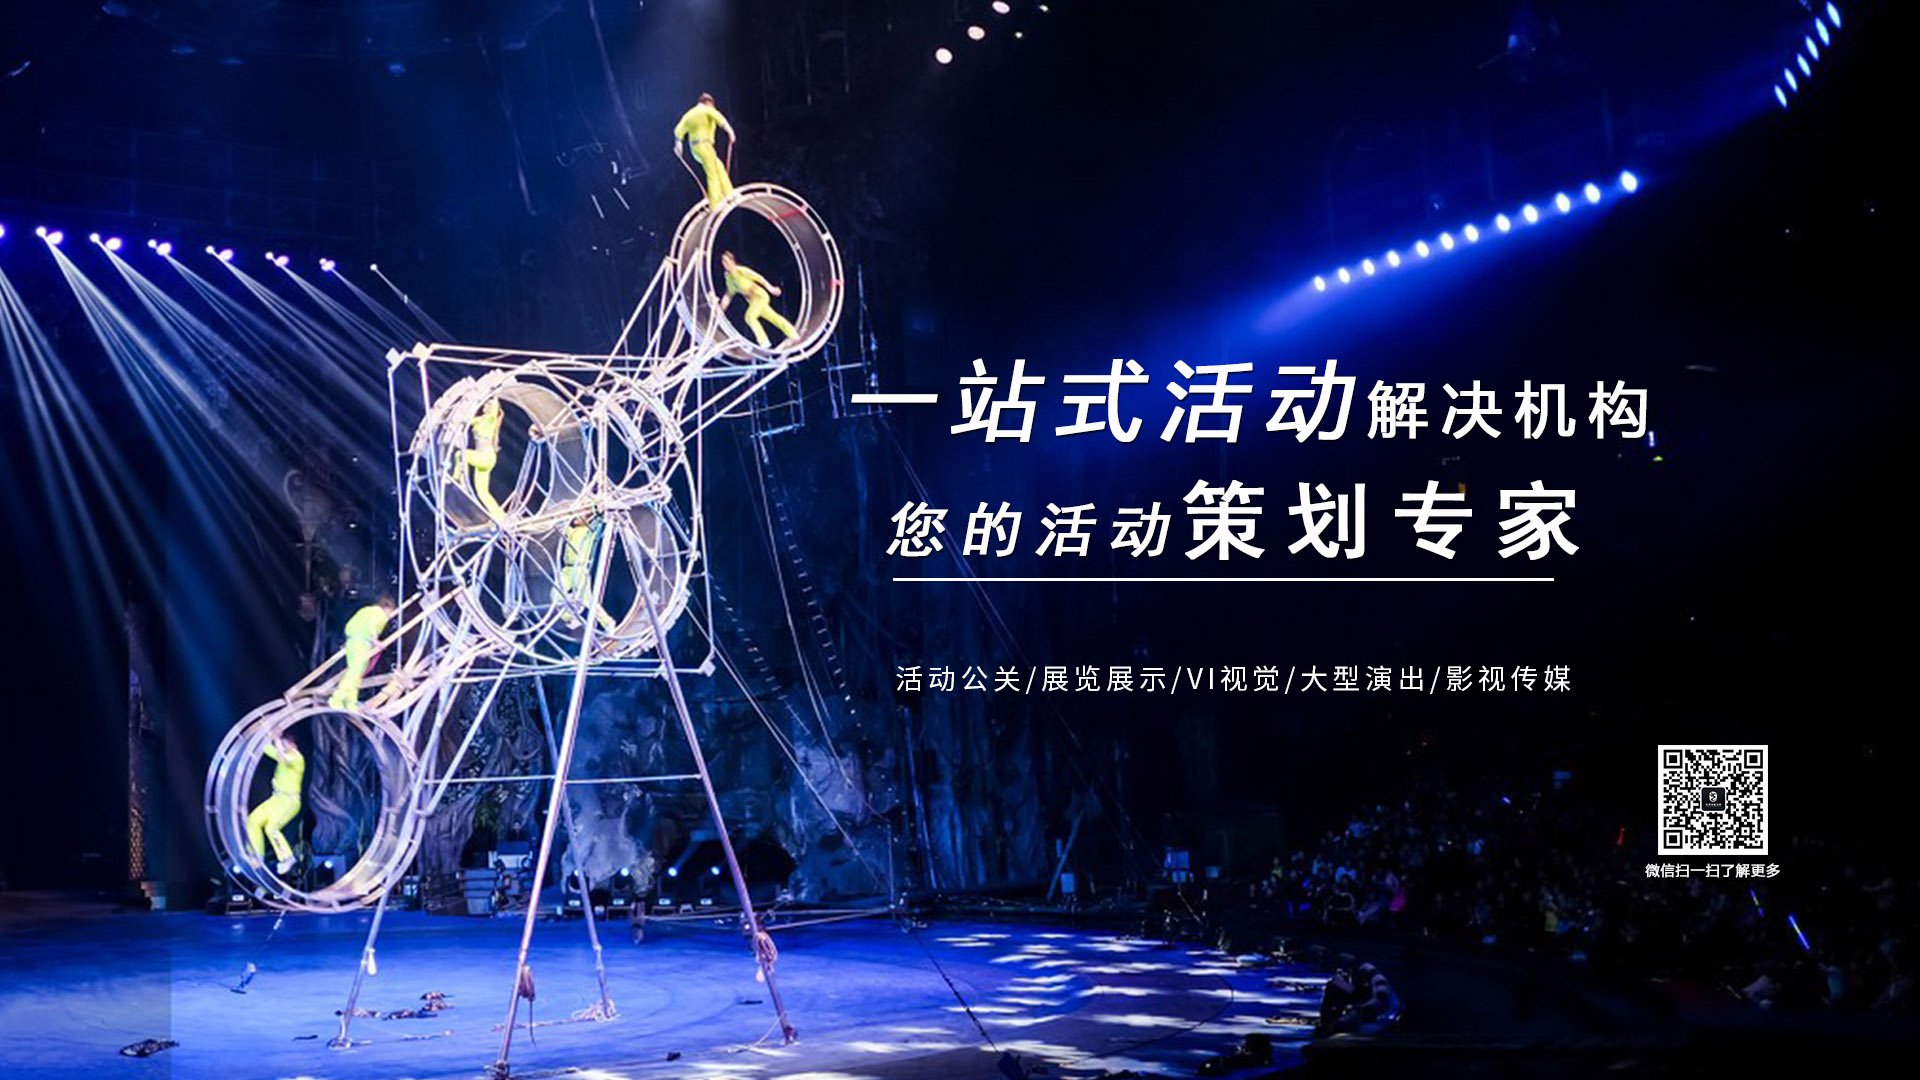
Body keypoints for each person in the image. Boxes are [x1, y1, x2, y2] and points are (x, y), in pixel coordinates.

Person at [247, 734, 305, 875]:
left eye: (285, 745)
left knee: (271, 828)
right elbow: (266, 748)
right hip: (276, 799)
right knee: (253, 820)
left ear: (293, 745)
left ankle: (287, 858)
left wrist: (277, 739)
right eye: (282, 745)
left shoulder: (297, 758)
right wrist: (265, 733)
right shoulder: (282, 755)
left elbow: (283, 758)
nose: (282, 748)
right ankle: (256, 856)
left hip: (289, 802)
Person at [328, 594, 396, 710]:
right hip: (361, 644)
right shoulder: (379, 614)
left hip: (353, 642)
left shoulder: (367, 610)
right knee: (354, 675)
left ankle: (350, 703)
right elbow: (372, 626)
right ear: (388, 608)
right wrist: (375, 641)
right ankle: (337, 699)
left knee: (355, 675)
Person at [718, 250, 798, 348]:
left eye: (727, 261)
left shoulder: (741, 270)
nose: (725, 264)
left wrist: (771, 289)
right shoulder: (729, 278)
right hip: (753, 301)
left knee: (749, 317)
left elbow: (759, 278)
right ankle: (793, 334)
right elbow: (728, 295)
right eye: (723, 262)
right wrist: (720, 311)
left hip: (760, 296)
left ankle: (764, 342)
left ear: (732, 261)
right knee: (773, 317)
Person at [673, 92, 737, 208]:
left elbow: (678, 131)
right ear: (708, 103)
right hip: (705, 145)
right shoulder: (707, 110)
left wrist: (678, 144)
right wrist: (730, 132)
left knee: (719, 167)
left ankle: (729, 193)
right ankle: (715, 203)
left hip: (695, 150)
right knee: (712, 173)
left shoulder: (689, 114)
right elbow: (720, 119)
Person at [559, 512, 617, 633]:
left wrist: (595, 511)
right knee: (556, 594)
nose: (575, 518)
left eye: (579, 516)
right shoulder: (572, 531)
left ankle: (607, 622)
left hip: (580, 569)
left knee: (587, 600)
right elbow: (561, 524)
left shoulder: (590, 531)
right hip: (567, 569)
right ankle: (571, 617)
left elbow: (599, 518)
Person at [450, 397, 505, 520]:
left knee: (460, 455)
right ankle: (500, 516)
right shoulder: (480, 419)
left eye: (488, 404)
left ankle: (457, 478)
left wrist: (495, 395)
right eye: (485, 404)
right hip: (482, 457)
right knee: (482, 493)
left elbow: (495, 407)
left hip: (486, 457)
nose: (485, 406)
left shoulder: (491, 419)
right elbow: (466, 421)